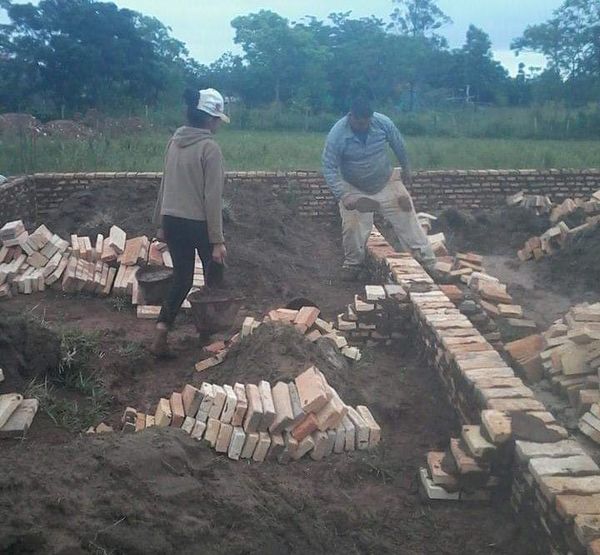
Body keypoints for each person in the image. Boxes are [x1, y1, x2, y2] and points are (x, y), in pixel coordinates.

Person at [322, 94, 435, 281]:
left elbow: (398, 144)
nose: (364, 126)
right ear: (351, 117)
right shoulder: (337, 134)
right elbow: (328, 166)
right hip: (354, 187)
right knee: (352, 227)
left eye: (367, 122)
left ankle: (428, 263)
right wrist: (343, 195)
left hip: (386, 181)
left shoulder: (382, 123)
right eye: (360, 123)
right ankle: (353, 265)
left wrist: (406, 167)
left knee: (408, 217)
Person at [151, 88, 229, 357]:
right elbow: (212, 198)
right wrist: (217, 241)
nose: (218, 124)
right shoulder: (210, 148)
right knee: (213, 275)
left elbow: (165, 183)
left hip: (172, 220)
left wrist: (160, 223)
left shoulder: (173, 142)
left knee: (182, 278)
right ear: (209, 119)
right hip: (197, 224)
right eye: (217, 118)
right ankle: (207, 335)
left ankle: (162, 330)